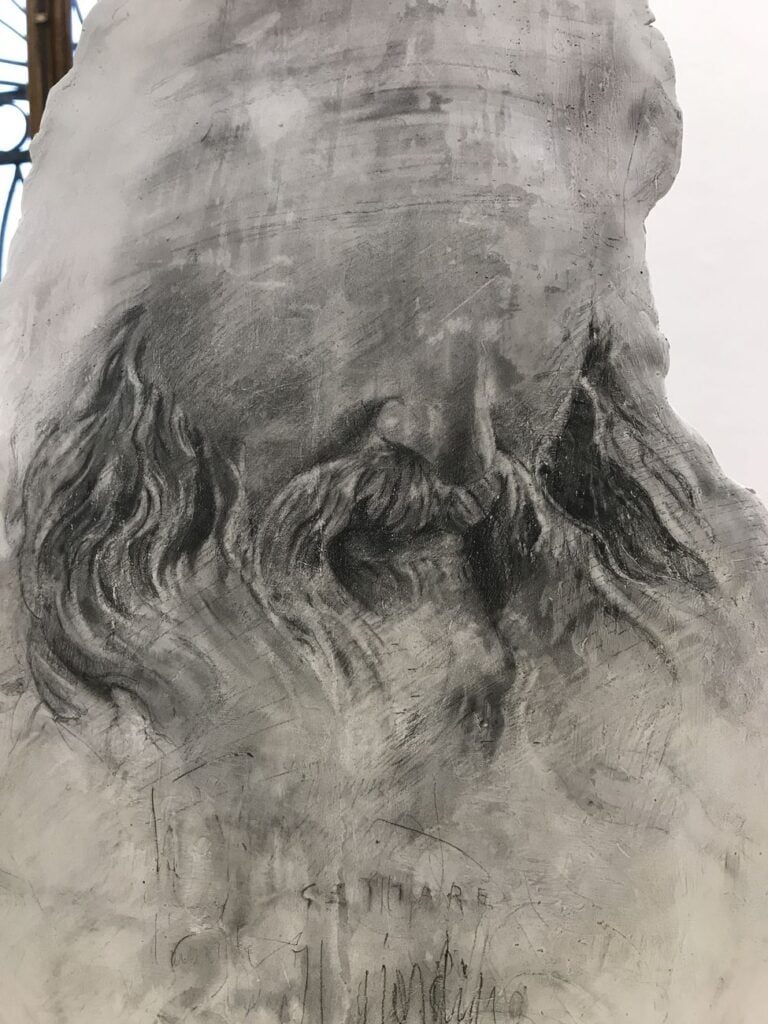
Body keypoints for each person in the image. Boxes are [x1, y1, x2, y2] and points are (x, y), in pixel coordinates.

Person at [2, 1, 768, 1021]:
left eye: (511, 350)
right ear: (154, 337)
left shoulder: (704, 666)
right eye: (360, 339)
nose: (454, 452)